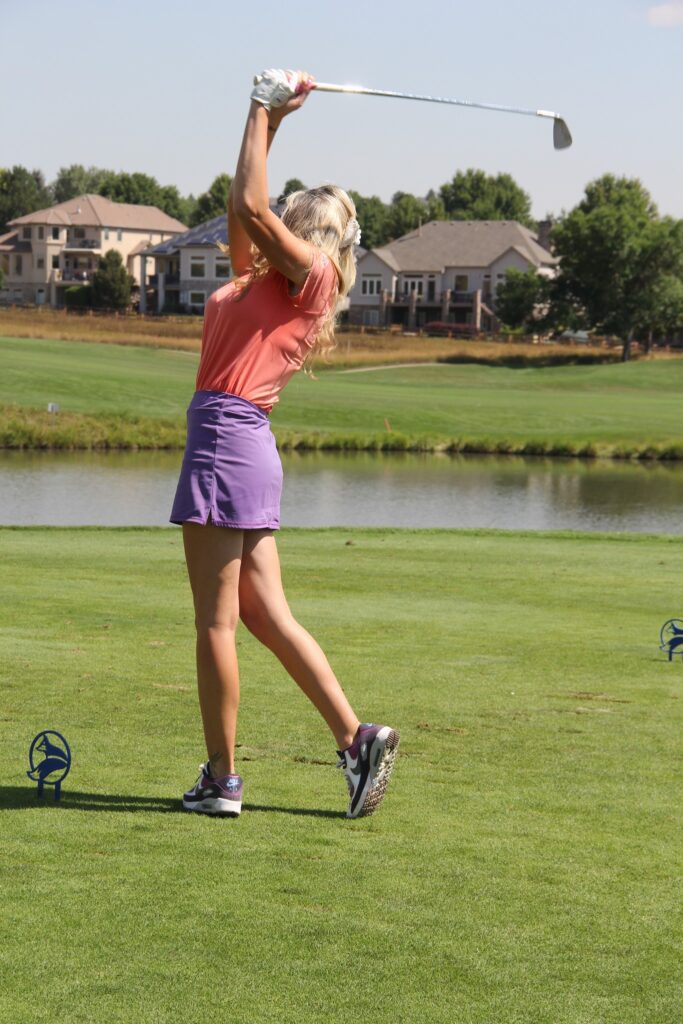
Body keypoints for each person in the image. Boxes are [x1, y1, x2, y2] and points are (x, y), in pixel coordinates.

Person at [170, 69, 399, 820]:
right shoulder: (263, 278)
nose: (281, 206)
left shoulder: (314, 274)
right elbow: (241, 204)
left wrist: (257, 105)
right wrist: (274, 121)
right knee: (264, 614)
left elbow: (249, 204)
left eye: (292, 206)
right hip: (242, 444)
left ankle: (221, 780)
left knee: (215, 622)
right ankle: (357, 738)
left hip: (225, 438)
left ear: (308, 226)